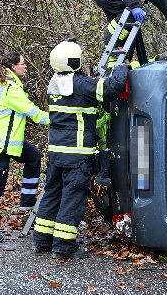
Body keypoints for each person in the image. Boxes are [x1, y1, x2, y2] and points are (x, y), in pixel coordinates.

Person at [32, 41, 128, 260]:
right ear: (74, 62)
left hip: (56, 153)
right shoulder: (82, 84)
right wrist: (123, 67)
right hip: (77, 155)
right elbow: (112, 88)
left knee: (52, 195)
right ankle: (64, 247)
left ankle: (42, 241)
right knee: (72, 199)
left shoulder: (54, 84)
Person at [0, 52, 49, 242]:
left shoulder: (0, 83)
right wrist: (62, 119)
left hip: (4, 142)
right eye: (23, 64)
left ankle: (27, 201)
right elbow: (35, 113)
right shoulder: (9, 88)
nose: (25, 67)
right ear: (13, 67)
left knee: (33, 156)